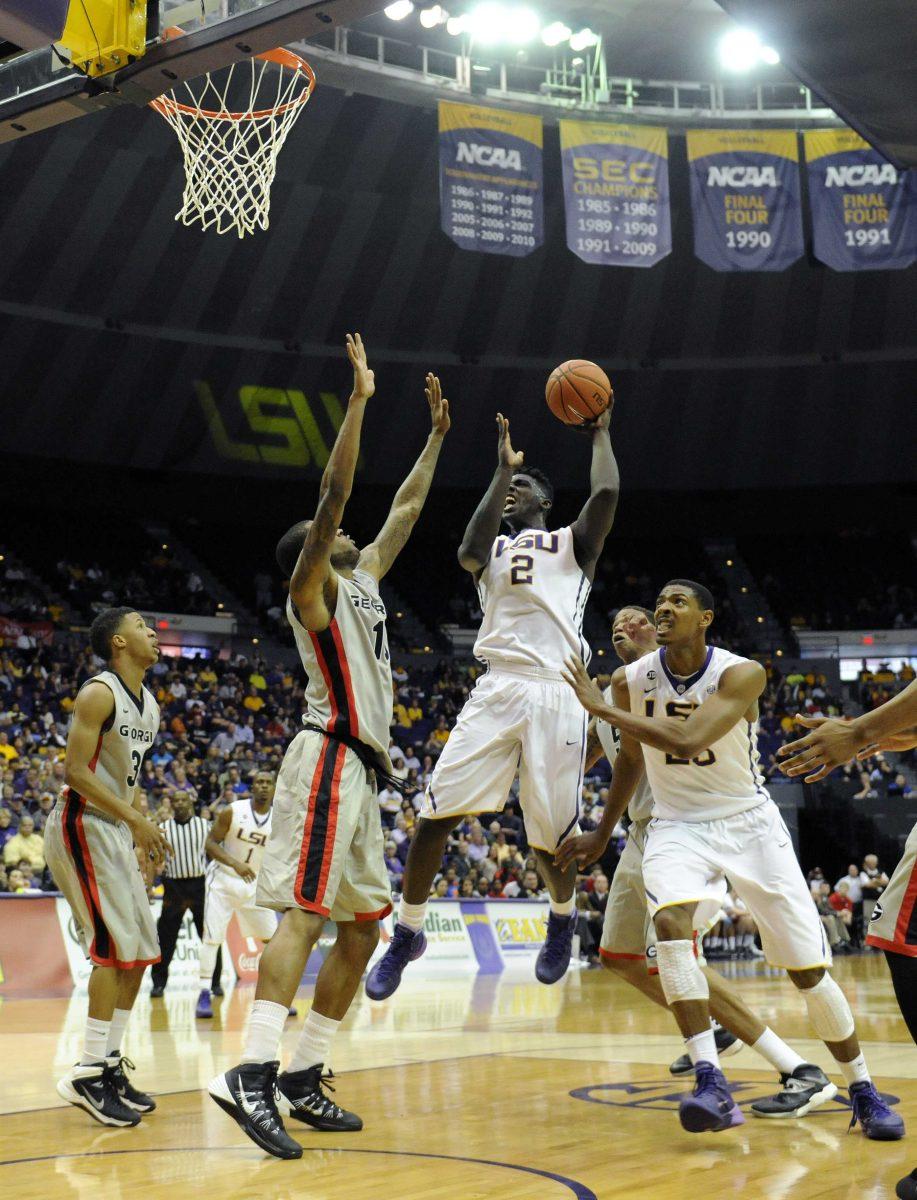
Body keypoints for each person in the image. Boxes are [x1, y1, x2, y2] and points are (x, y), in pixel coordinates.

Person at [209, 335, 450, 1160]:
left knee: (361, 930)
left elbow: (406, 512)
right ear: (312, 552)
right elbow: (337, 492)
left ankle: (303, 1074)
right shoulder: (311, 593)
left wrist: (434, 441)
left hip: (364, 775)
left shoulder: (368, 585)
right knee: (306, 918)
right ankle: (250, 1070)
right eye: (328, 533)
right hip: (325, 759)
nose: (348, 533)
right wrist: (357, 403)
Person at [559, 580, 902, 1139]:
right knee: (669, 926)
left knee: (806, 971)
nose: (665, 609)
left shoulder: (743, 673)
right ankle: (710, 1082)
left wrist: (600, 708)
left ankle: (861, 1089)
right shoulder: (628, 682)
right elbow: (629, 761)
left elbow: (690, 739)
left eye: (677, 602)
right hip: (676, 824)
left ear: (706, 618)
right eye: (660, 601)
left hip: (749, 823)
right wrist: (601, 831)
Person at [367, 396, 619, 1000]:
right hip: (498, 686)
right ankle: (408, 932)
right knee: (435, 814)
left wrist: (600, 434)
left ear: (547, 502)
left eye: (527, 485)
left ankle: (562, 923)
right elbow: (467, 552)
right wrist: (503, 470)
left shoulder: (572, 545)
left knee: (550, 835)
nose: (516, 491)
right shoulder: (495, 551)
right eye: (513, 485)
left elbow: (606, 497)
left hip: (557, 690)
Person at [44, 608, 171, 1127]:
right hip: (81, 824)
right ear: (119, 641)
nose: (153, 632)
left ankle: (111, 1062)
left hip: (114, 829)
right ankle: (87, 1072)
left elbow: (128, 780)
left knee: (142, 952)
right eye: (142, 626)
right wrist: (136, 822)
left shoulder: (152, 706)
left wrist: (135, 836)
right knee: (112, 949)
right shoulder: (99, 692)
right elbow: (74, 771)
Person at [195, 770, 279, 1019]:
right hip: (223, 880)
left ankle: (273, 997)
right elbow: (210, 844)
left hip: (255, 885)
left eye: (268, 783)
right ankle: (203, 993)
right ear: (252, 787)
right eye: (259, 782)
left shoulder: (280, 820)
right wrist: (235, 863)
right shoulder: (232, 811)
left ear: (274, 788)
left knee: (273, 942)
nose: (263, 786)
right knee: (212, 939)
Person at [150, 792, 221, 998]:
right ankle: (159, 983)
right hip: (173, 886)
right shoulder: (164, 828)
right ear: (171, 804)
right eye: (176, 801)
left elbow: (215, 853)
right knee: (165, 938)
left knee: (209, 935)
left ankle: (215, 983)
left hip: (200, 885)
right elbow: (155, 857)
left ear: (190, 803)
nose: (180, 803)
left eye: (183, 800)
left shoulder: (204, 825)